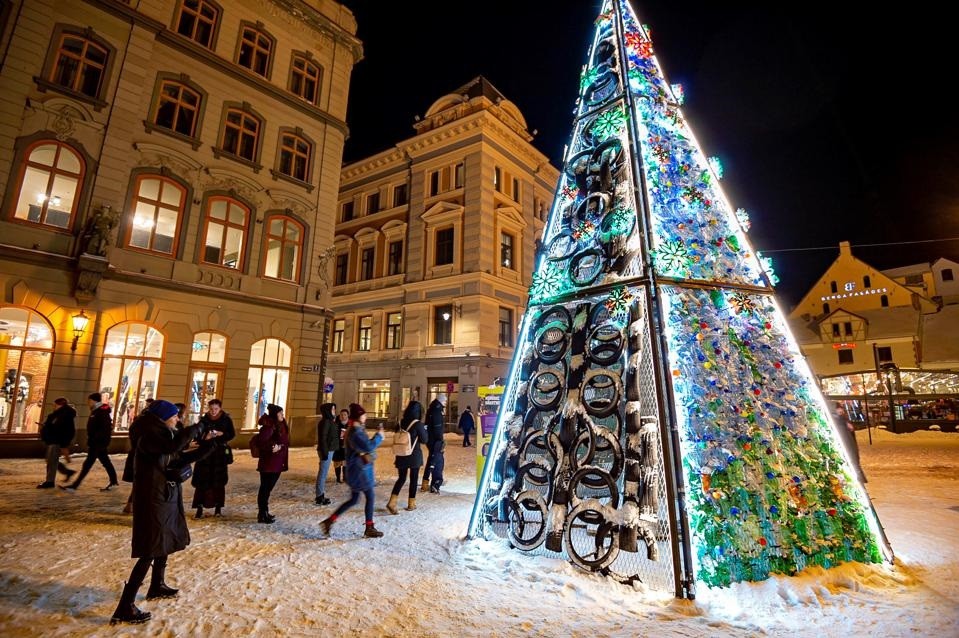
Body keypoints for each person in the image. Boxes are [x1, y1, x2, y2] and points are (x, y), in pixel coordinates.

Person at [109, 399, 221, 625]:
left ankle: (156, 584)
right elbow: (173, 448)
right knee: (151, 547)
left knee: (164, 540)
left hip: (164, 495)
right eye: (175, 416)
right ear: (163, 417)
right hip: (153, 498)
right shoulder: (150, 435)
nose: (178, 419)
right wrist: (197, 428)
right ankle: (125, 606)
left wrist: (208, 445)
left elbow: (179, 456)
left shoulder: (163, 434)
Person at [321, 403, 384, 538]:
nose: (366, 416)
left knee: (354, 499)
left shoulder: (356, 429)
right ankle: (369, 527)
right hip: (360, 471)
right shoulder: (355, 432)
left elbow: (365, 446)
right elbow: (367, 446)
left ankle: (329, 521)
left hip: (358, 470)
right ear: (358, 417)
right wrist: (379, 436)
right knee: (370, 497)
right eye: (363, 414)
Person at [62, 392, 118, 491]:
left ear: (93, 400)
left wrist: (97, 440)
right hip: (97, 442)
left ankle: (75, 485)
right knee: (106, 462)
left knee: (87, 464)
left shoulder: (101, 411)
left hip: (97, 443)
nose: (88, 403)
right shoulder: (96, 410)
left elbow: (104, 429)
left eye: (89, 400)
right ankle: (113, 481)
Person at [191, 399, 236, 518]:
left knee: (218, 482)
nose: (213, 411)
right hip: (205, 455)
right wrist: (207, 436)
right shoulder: (204, 420)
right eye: (211, 409)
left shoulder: (226, 420)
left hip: (219, 455)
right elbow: (198, 436)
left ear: (220, 408)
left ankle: (218, 508)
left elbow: (231, 434)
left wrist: (221, 434)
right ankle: (199, 507)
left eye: (216, 409)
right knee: (202, 482)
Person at [386, 400, 429, 514]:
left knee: (401, 478)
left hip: (401, 453)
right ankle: (411, 503)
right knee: (413, 479)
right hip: (413, 455)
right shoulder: (418, 424)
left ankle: (392, 502)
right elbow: (425, 440)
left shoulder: (401, 422)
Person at [253, 404, 289, 524]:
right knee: (265, 488)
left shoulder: (281, 425)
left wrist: (280, 447)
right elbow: (261, 441)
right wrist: (273, 446)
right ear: (275, 415)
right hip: (269, 463)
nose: (282, 415)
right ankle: (262, 513)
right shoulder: (269, 426)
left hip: (277, 462)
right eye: (280, 413)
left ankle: (264, 512)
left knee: (267, 489)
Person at [37, 397, 77, 488]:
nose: (53, 406)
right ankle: (67, 472)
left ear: (60, 405)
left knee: (51, 461)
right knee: (51, 460)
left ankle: (50, 482)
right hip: (52, 440)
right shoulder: (58, 415)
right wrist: (46, 426)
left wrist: (64, 445)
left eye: (55, 405)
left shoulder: (65, 416)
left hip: (56, 441)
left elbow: (67, 431)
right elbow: (54, 426)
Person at [834, 403, 867, 483]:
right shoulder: (840, 423)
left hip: (850, 451)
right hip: (848, 452)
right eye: (839, 411)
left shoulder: (845, 423)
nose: (841, 412)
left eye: (842, 411)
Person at [421, 393, 446, 493]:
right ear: (440, 401)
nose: (445, 402)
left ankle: (426, 482)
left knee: (432, 460)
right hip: (436, 441)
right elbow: (438, 428)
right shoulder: (436, 410)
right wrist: (440, 441)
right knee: (438, 462)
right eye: (444, 400)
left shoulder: (432, 409)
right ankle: (435, 483)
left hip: (431, 440)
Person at [315, 403, 339, 505]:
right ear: (327, 411)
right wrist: (325, 452)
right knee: (323, 473)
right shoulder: (325, 422)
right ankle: (319, 496)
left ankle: (320, 494)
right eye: (333, 410)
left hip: (329, 449)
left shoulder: (329, 421)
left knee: (323, 472)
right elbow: (323, 438)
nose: (334, 411)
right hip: (326, 450)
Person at [332, 408, 350, 484]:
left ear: (347, 415)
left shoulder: (350, 424)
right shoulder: (336, 424)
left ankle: (345, 478)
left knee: (345, 463)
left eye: (344, 415)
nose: (343, 416)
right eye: (341, 415)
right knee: (337, 463)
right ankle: (338, 478)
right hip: (337, 447)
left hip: (347, 447)